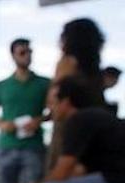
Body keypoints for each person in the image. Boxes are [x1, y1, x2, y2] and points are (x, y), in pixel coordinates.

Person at [25, 76, 125, 183]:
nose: (49, 108)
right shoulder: (93, 117)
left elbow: (63, 170)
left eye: (51, 103)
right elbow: (80, 170)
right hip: (114, 182)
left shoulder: (77, 121)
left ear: (65, 102)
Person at [0, 38, 50, 183]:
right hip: (7, 146)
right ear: (13, 56)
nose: (27, 56)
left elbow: (55, 110)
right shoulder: (1, 86)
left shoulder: (44, 84)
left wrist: (39, 120)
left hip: (33, 147)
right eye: (22, 52)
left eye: (29, 52)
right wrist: (2, 124)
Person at [45, 18, 106, 173]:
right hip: (93, 138)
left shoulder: (66, 64)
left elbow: (54, 102)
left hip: (68, 133)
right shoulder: (95, 72)